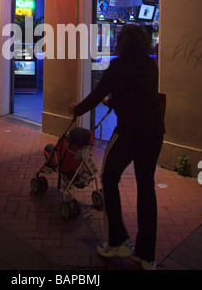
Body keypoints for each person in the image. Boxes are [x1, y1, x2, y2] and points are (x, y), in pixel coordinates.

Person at [69, 24, 165, 270]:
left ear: (122, 43)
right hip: (154, 133)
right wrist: (112, 101)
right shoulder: (151, 66)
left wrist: (76, 110)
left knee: (109, 178)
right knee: (146, 187)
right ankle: (146, 255)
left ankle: (117, 241)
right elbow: (138, 95)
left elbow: (95, 95)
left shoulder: (117, 67)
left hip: (129, 133)